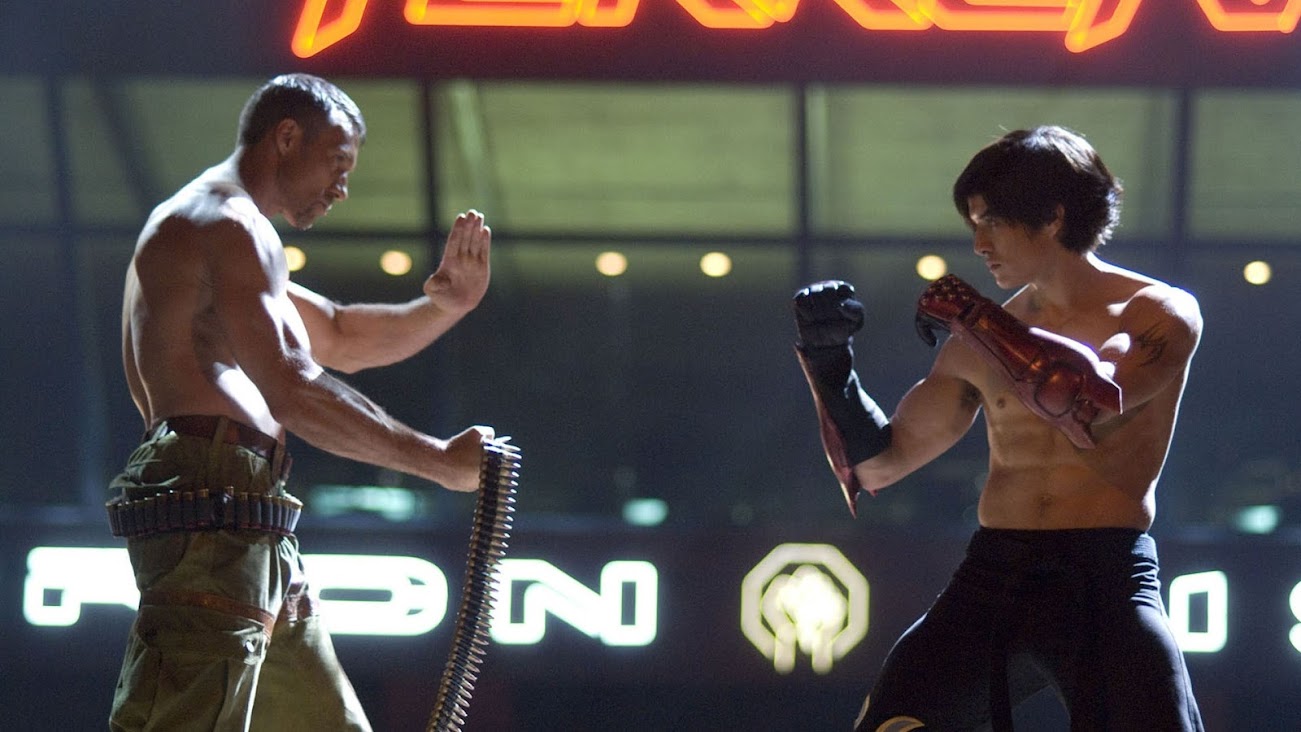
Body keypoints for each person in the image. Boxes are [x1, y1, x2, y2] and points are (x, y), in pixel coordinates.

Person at [106, 73, 500, 731]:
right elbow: (291, 387)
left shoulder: (223, 231)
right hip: (213, 508)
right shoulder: (224, 222)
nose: (342, 187)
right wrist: (437, 461)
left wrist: (445, 306)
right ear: (286, 137)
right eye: (337, 162)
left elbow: (340, 336)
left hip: (244, 515)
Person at [793, 126, 1205, 730]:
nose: (979, 244)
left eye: (992, 222)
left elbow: (1088, 404)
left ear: (1053, 217)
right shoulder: (977, 336)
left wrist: (976, 318)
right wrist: (831, 364)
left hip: (1103, 578)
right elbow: (878, 466)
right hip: (995, 573)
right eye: (973, 224)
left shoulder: (1156, 311)